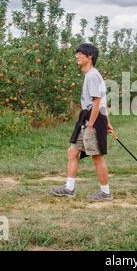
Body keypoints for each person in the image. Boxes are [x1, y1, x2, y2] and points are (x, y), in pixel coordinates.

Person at [50, 43, 114, 202]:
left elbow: (97, 102)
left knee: (97, 157)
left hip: (92, 119)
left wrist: (92, 125)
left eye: (80, 53)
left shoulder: (92, 75)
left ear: (89, 56)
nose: (76, 56)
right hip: (88, 117)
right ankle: (69, 188)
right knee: (72, 152)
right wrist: (108, 121)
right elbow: (102, 101)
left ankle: (105, 192)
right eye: (76, 53)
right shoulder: (90, 75)